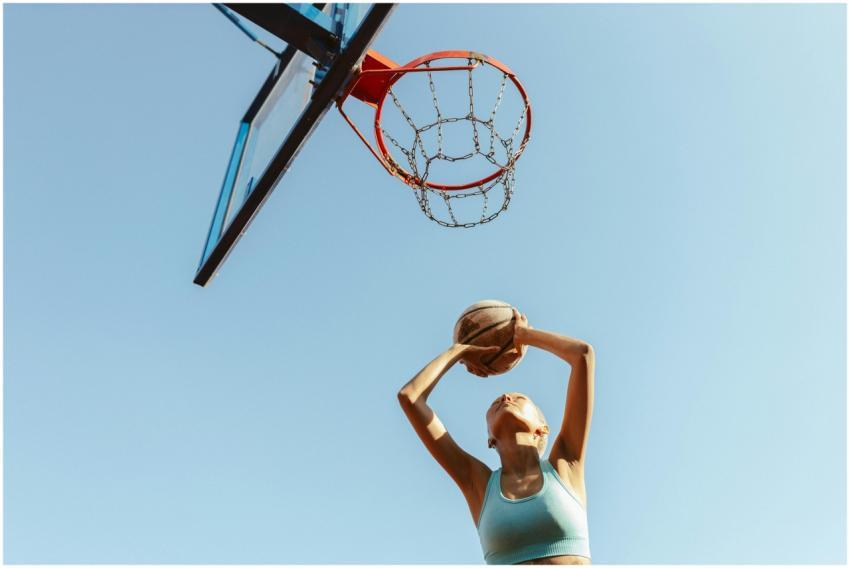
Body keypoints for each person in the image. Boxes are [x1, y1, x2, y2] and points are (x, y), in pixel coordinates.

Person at [397, 309, 595, 565]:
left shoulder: (566, 465)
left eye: (519, 398)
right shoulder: (478, 484)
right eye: (495, 403)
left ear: (542, 428)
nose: (505, 398)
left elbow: (583, 356)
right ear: (489, 438)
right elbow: (410, 397)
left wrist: (522, 335)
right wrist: (460, 351)